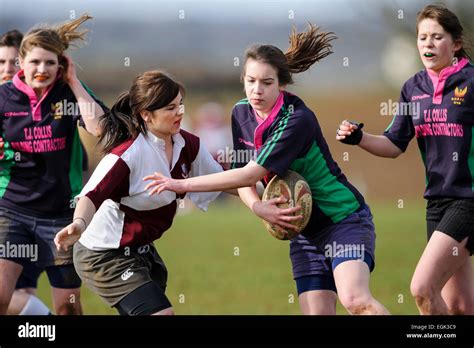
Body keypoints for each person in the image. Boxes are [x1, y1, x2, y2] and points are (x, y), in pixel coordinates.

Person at [144, 24, 390, 315]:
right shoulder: (240, 112)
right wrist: (258, 207)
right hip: (303, 230)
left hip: (343, 220)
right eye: (250, 80)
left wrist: (181, 185)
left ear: (281, 85)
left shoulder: (298, 119)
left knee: (355, 300)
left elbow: (250, 173)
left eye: (266, 82)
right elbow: (243, 177)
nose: (256, 90)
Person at [336, 4, 474, 315]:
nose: (428, 43)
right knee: (461, 306)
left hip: (468, 200)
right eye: (422, 36)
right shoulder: (413, 88)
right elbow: (394, 143)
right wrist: (359, 138)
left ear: (455, 44)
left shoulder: (471, 82)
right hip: (436, 202)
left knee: (422, 289)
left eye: (437, 37)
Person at [54, 70, 227, 315]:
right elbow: (91, 196)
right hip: (103, 255)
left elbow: (220, 180)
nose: (180, 112)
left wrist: (261, 199)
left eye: (180, 105)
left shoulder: (188, 144)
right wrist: (79, 224)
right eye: (170, 108)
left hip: (141, 251)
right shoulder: (127, 155)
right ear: (146, 115)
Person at [0, 14, 107, 315]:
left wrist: (73, 82)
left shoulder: (67, 93)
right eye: (35, 62)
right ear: (21, 62)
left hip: (62, 214)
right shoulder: (3, 99)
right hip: (12, 211)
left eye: (50, 62)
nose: (42, 69)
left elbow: (99, 128)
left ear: (61, 64)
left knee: (67, 309)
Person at [0, 29, 52, 315]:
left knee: (19, 295)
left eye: (13, 62)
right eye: (0, 62)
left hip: (25, 213)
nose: (8, 69)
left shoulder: (47, 106)